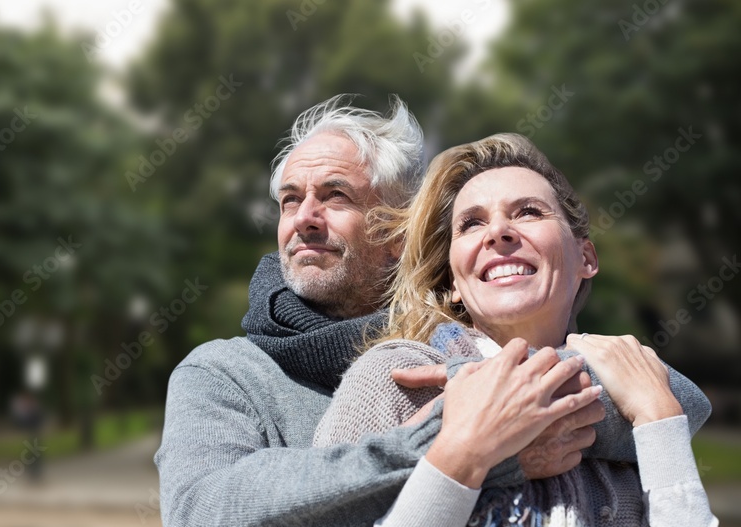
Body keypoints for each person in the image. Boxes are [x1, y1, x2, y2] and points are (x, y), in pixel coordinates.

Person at [157, 96, 656, 527]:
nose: (304, 218)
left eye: (335, 196)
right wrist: (475, 443)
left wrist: (510, 404)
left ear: (399, 233)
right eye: (290, 201)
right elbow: (203, 510)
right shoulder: (223, 372)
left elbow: (676, 400)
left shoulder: (467, 343)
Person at [314, 132, 716, 526]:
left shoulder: (634, 388)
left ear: (586, 257)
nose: (498, 232)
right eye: (471, 223)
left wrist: (659, 415)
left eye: (528, 211)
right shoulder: (391, 380)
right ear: (453, 281)